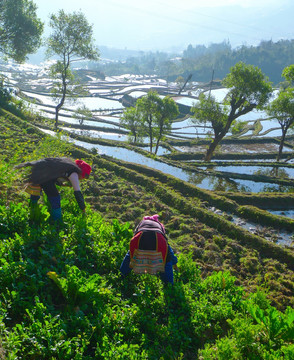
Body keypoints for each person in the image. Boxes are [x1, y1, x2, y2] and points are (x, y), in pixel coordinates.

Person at [16, 157, 92, 222]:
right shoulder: (74, 174)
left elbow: (55, 175)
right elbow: (78, 193)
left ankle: (32, 210)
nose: (83, 178)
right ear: (81, 172)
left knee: (36, 192)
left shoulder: (68, 165)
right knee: (55, 197)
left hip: (40, 168)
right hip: (44, 173)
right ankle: (57, 221)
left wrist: (63, 185)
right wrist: (83, 209)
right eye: (85, 176)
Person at [120, 214, 178, 284]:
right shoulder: (160, 225)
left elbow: (135, 235)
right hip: (159, 239)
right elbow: (168, 249)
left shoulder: (141, 223)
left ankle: (122, 276)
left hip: (139, 237)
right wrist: (175, 265)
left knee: (131, 256)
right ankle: (168, 284)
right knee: (166, 258)